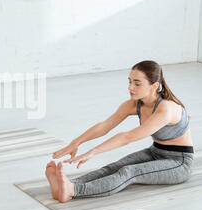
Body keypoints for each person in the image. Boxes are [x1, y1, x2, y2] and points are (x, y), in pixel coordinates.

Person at [46, 60, 194, 202]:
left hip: (179, 162)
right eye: (130, 82)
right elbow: (105, 125)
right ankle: (67, 184)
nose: (131, 87)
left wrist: (92, 152)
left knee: (129, 172)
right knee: (115, 167)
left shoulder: (166, 109)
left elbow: (127, 137)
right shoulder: (134, 104)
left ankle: (74, 191)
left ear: (154, 86)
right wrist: (76, 143)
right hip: (155, 152)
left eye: (137, 83)